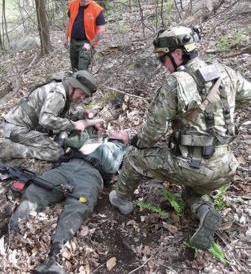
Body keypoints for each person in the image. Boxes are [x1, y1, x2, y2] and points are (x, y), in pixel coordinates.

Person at [109, 26, 251, 251]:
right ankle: (204, 212)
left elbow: (152, 132)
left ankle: (121, 200)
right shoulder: (224, 71)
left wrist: (135, 141)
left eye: (162, 58)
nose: (162, 65)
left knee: (136, 157)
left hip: (192, 165)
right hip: (225, 167)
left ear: (176, 53)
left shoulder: (176, 82)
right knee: (193, 190)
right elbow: (247, 96)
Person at [2, 130, 129, 274]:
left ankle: (54, 258)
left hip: (92, 175)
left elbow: (134, 168)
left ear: (126, 140)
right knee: (35, 189)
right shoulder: (94, 138)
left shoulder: (126, 150)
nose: (119, 131)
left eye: (123, 133)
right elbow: (72, 138)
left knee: (79, 207)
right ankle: (10, 230)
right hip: (66, 167)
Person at [1, 70, 102, 161]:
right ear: (74, 86)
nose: (82, 97)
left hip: (20, 125)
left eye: (85, 96)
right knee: (56, 153)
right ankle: (9, 149)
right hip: (17, 129)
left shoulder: (62, 86)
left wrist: (81, 115)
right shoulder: (59, 94)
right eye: (81, 93)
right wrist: (75, 125)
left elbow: (57, 114)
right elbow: (45, 120)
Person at [64, 0, 105, 72]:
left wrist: (90, 44)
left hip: (86, 43)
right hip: (73, 42)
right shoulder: (72, 4)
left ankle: (83, 85)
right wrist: (65, 37)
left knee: (82, 70)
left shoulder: (96, 9)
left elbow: (101, 31)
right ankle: (75, 85)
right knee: (74, 69)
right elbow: (68, 21)